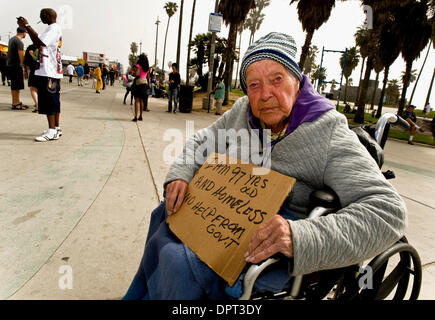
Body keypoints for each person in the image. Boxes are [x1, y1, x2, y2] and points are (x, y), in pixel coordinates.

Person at [122, 32, 407, 300]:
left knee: (176, 260)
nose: (265, 94)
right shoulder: (242, 111)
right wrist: (182, 173)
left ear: (297, 81)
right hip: (223, 213)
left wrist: (299, 236)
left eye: (277, 79)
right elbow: (202, 140)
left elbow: (387, 211)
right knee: (164, 214)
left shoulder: (328, 132)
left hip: (272, 241)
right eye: (254, 84)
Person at [18, 8, 64, 142]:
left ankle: (51, 131)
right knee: (54, 100)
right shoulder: (52, 29)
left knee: (49, 100)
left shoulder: (53, 29)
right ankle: (56, 128)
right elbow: (39, 39)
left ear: (48, 16)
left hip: (49, 70)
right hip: (52, 70)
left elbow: (39, 43)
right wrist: (28, 28)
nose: (40, 18)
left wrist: (27, 26)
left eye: (41, 15)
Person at [7, 27, 28, 110]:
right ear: (23, 33)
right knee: (17, 86)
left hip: (10, 65)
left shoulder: (12, 39)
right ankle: (16, 103)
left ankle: (16, 102)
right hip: (16, 66)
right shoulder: (19, 42)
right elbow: (21, 56)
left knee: (14, 85)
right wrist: (24, 67)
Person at [131, 54, 151, 122]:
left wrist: (133, 74)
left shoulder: (138, 66)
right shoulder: (147, 68)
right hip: (144, 83)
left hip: (138, 83)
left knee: (136, 101)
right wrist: (148, 84)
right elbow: (148, 77)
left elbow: (136, 74)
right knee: (141, 101)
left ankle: (135, 117)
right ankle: (141, 116)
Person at [24, 44, 39, 113]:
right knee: (41, 88)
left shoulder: (31, 47)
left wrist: (26, 71)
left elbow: (26, 60)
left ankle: (37, 105)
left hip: (34, 69)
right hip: (45, 71)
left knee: (33, 88)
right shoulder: (45, 46)